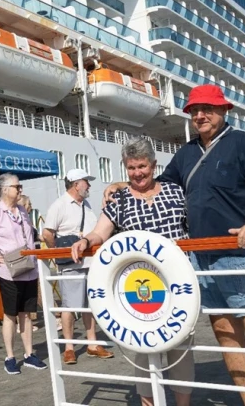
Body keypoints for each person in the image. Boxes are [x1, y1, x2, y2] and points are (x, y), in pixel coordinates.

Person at [104, 84, 245, 406]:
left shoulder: (243, 143)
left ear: (223, 110)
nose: (200, 116)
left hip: (241, 256)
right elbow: (160, 185)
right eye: (194, 111)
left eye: (207, 109)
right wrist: (124, 183)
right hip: (201, 261)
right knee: (227, 338)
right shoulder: (187, 153)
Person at [72, 138, 193, 406]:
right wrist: (86, 241)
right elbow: (100, 232)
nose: (137, 173)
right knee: (143, 347)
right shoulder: (120, 199)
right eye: (131, 168)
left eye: (142, 166)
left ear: (153, 165)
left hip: (178, 284)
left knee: (181, 349)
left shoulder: (176, 191)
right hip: (139, 287)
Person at [0, 174, 48, 375]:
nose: (20, 189)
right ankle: (10, 357)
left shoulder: (21, 210)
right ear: (5, 189)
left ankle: (29, 354)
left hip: (28, 269)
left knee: (27, 314)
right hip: (9, 271)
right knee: (10, 314)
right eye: (17, 186)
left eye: (20, 186)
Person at [42, 168, 114, 365]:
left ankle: (92, 343)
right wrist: (59, 252)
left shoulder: (86, 204)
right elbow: (47, 233)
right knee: (70, 306)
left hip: (91, 262)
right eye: (86, 181)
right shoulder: (59, 205)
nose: (89, 185)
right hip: (71, 264)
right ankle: (69, 347)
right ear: (76, 184)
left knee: (90, 304)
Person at [16, 194, 39, 332]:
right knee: (31, 291)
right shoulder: (21, 221)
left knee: (27, 292)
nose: (31, 206)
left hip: (31, 258)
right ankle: (22, 323)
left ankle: (24, 322)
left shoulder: (27, 220)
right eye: (29, 204)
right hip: (24, 259)